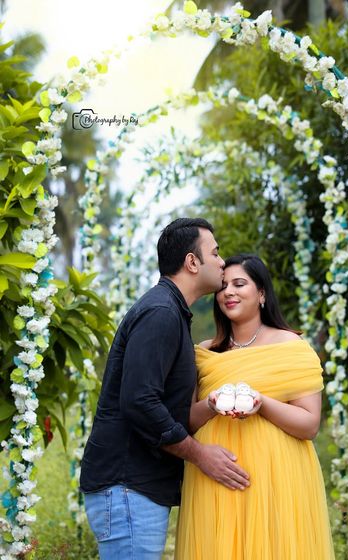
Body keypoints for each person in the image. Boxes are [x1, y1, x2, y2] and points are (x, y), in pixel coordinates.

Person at [80, 219, 250, 560]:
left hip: (134, 489)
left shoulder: (170, 311)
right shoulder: (160, 312)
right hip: (127, 486)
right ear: (191, 262)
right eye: (214, 253)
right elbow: (139, 401)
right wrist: (201, 455)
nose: (220, 261)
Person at [175, 254, 335, 559]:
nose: (228, 292)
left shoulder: (291, 347)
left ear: (261, 293)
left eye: (239, 284)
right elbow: (189, 422)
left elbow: (309, 424)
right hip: (215, 474)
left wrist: (261, 403)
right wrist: (211, 403)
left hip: (277, 478)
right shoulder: (204, 353)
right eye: (223, 286)